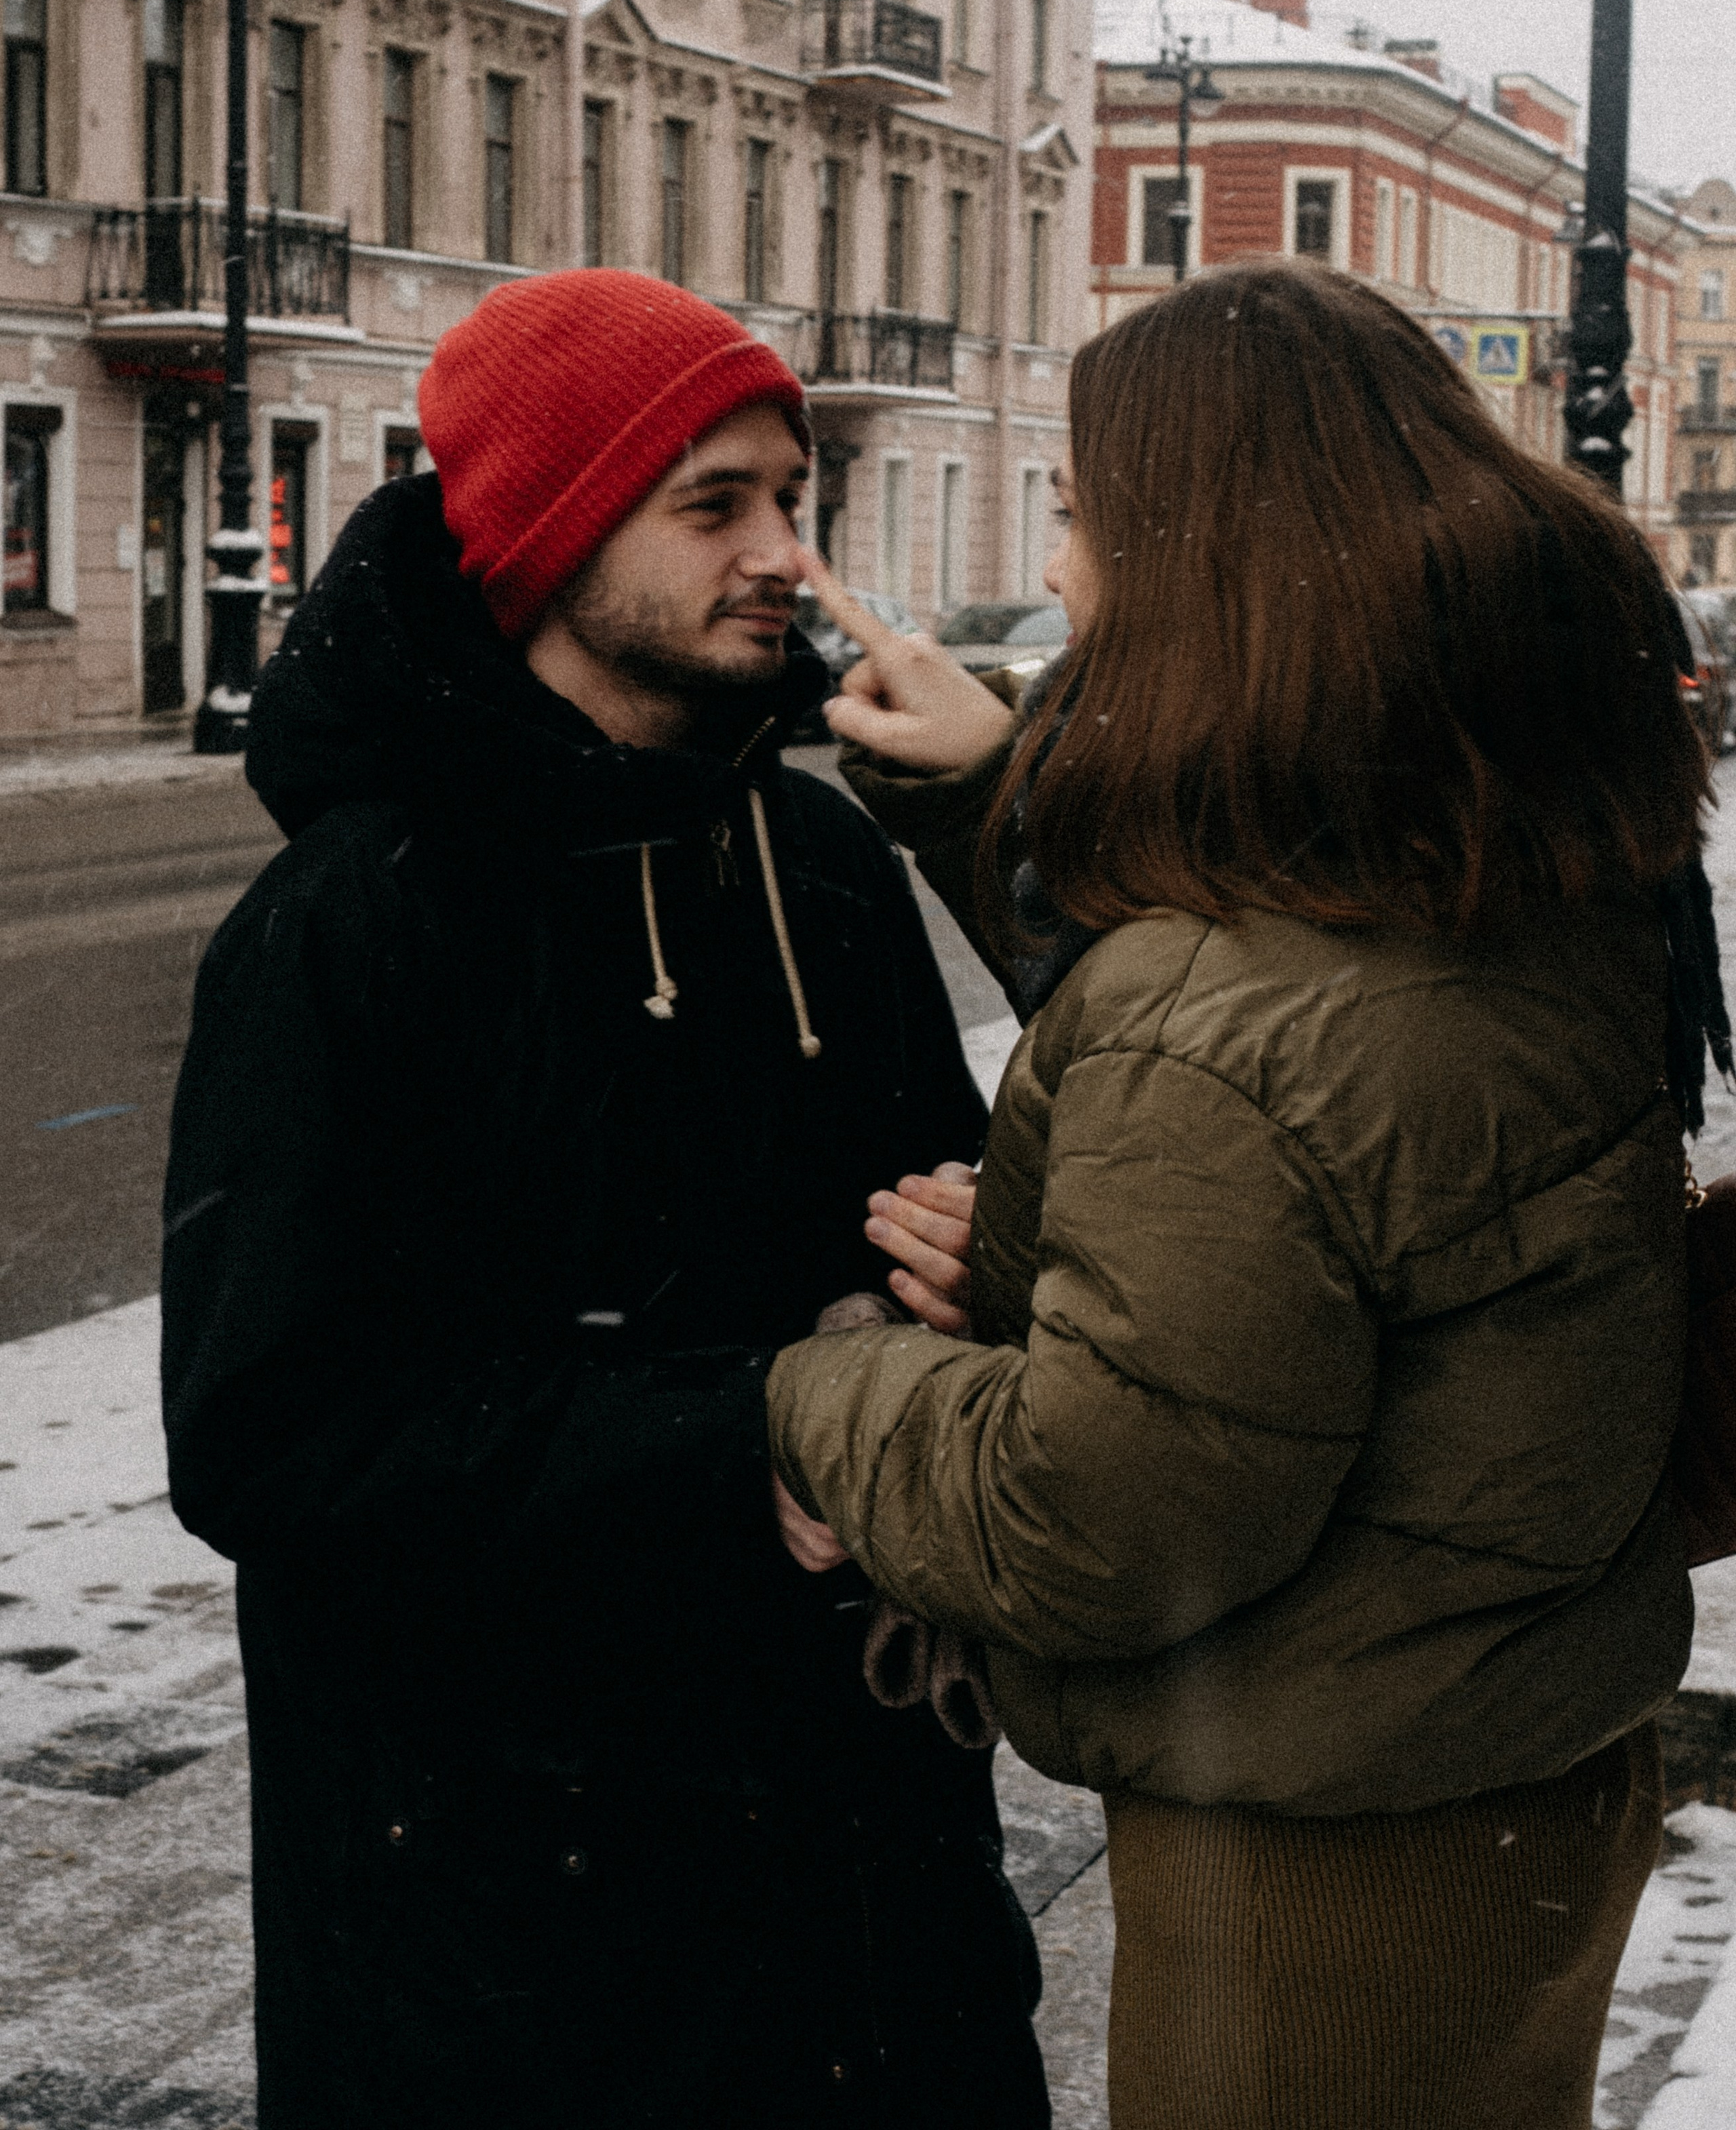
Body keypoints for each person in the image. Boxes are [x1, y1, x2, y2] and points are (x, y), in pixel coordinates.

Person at [768, 257, 1722, 2130]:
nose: (1054, 571)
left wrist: (814, 1392)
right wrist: (994, 802)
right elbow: (1302, 1026)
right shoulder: (1516, 857)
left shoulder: (1218, 1022)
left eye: (1077, 516)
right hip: (1522, 1760)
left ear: (1199, 558)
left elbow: (1104, 1509)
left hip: (1324, 1849)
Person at [159, 270, 1048, 2130]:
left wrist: (977, 1254)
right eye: (713, 504)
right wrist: (760, 1448)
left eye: (792, 501)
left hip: (857, 1881)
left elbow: (927, 1203)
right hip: (513, 1932)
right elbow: (272, 1437)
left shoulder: (814, 851)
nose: (785, 556)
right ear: (553, 534)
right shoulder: (354, 916)